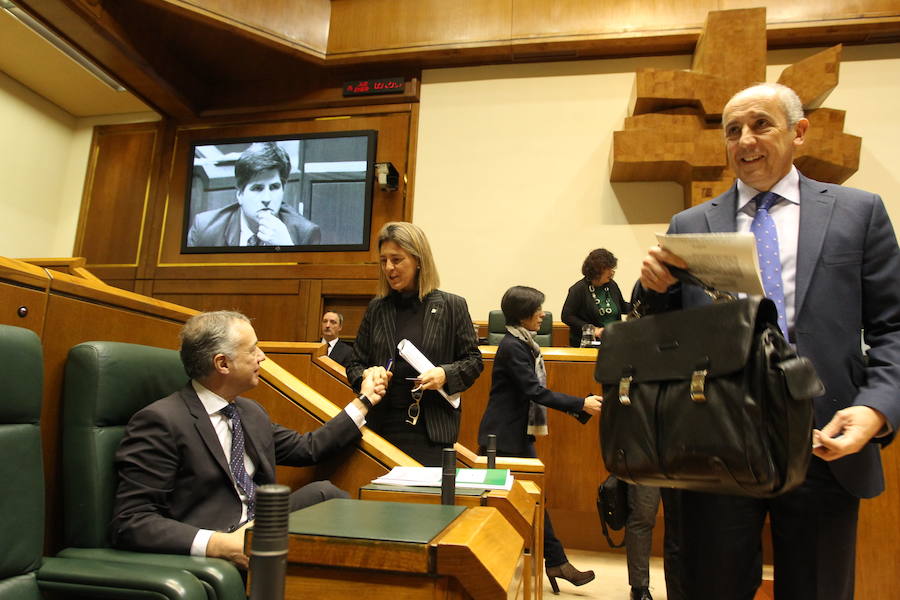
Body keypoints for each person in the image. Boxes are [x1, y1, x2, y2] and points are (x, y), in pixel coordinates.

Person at [638, 82, 900, 599]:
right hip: (715, 446)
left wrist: (876, 409)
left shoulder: (858, 212)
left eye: (761, 124)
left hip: (824, 439)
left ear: (799, 132)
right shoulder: (691, 224)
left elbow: (893, 328)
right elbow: (666, 339)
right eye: (733, 130)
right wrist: (653, 289)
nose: (745, 140)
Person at [111, 310, 386, 568]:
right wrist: (220, 545)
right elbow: (132, 521)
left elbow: (308, 448)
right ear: (222, 363)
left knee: (325, 493)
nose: (262, 356)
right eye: (252, 349)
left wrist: (365, 401)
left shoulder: (249, 412)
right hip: (220, 538)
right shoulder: (162, 420)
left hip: (261, 524)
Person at [477, 285, 602, 593]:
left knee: (531, 500)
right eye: (539, 310)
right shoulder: (512, 346)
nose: (544, 315)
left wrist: (579, 406)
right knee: (503, 504)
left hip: (513, 436)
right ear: (523, 314)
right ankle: (546, 561)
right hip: (502, 439)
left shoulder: (523, 343)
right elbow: (534, 391)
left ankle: (555, 560)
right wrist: (580, 405)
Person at [346, 221, 483, 466]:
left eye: (397, 260)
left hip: (432, 430)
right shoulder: (377, 308)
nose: (389, 268)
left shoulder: (452, 306)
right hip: (380, 427)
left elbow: (473, 361)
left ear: (419, 260)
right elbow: (355, 363)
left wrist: (445, 374)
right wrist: (366, 375)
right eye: (384, 260)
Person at [187, 142, 321, 247]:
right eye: (257, 188)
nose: (267, 199)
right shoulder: (205, 228)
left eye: (274, 187)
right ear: (239, 194)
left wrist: (287, 248)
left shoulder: (305, 233)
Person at [561, 249, 630, 347]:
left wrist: (640, 306)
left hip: (614, 341)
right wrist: (593, 330)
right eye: (609, 269)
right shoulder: (578, 289)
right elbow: (567, 317)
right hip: (589, 344)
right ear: (598, 270)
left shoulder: (611, 285)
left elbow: (621, 306)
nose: (612, 272)